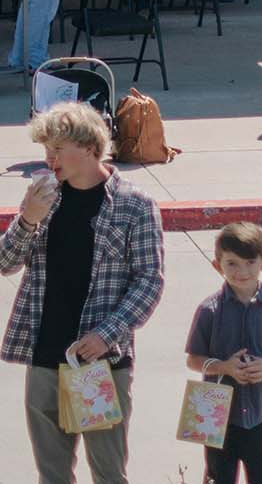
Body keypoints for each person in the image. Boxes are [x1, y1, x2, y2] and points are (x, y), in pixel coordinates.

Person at [3, 102, 165, 484]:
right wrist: (28, 219)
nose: (49, 158)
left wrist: (106, 335)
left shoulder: (134, 205)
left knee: (108, 473)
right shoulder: (45, 196)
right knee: (52, 476)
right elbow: (4, 261)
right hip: (43, 355)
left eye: (57, 149)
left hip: (97, 363)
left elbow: (149, 281)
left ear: (90, 148)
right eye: (46, 150)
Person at [184, 222, 262, 484]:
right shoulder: (209, 310)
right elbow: (193, 359)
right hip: (216, 413)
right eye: (232, 263)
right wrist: (224, 367)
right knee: (218, 477)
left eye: (250, 262)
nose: (242, 271)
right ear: (217, 265)